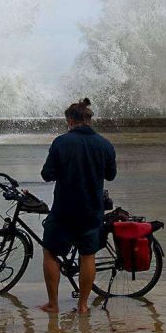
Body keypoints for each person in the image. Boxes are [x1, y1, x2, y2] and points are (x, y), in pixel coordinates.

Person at [39, 98, 117, 314]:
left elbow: (47, 174)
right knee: (87, 256)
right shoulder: (105, 144)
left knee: (50, 253)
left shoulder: (61, 142)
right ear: (89, 120)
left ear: (70, 121)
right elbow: (111, 175)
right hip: (92, 210)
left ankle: (53, 304)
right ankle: (83, 306)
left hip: (64, 210)